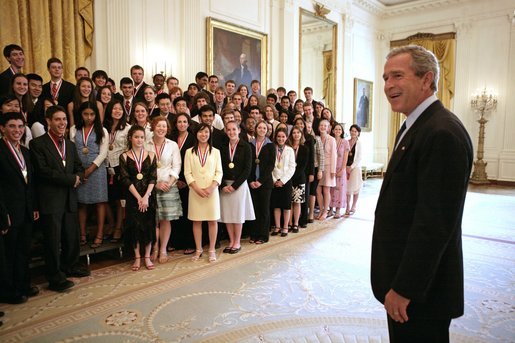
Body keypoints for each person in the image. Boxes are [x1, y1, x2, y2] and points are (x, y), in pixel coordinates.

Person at [371, 45, 473, 343]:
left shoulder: (442, 132)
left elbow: (434, 225)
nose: (388, 85)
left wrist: (405, 288)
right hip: (409, 284)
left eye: (398, 76)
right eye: (386, 77)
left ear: (427, 79)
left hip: (422, 293)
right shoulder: (415, 126)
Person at [30, 105, 90, 292]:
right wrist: (72, 179)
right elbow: (43, 172)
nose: (62, 123)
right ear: (48, 121)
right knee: (53, 241)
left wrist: (78, 176)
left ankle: (70, 266)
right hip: (51, 200)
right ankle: (55, 277)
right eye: (57, 119)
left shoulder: (70, 145)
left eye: (64, 119)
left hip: (69, 198)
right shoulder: (37, 144)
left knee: (70, 236)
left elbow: (79, 167)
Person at [0, 112, 39, 303]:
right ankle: (9, 290)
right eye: (12, 126)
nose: (17, 130)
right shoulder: (0, 151)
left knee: (24, 249)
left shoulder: (26, 152)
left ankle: (23, 284)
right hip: (8, 211)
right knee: (8, 253)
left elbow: (31, 183)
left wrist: (33, 207)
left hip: (26, 210)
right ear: (2, 128)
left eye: (20, 126)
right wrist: (2, 212)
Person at [69, 102, 108, 248]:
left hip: (97, 170)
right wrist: (80, 171)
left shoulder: (102, 130)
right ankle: (83, 234)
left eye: (92, 114)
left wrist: (89, 170)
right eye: (86, 114)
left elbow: (103, 153)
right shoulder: (74, 129)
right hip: (79, 169)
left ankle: (99, 234)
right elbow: (71, 150)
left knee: (100, 202)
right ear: (81, 115)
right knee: (82, 203)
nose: (89, 117)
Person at [119, 125, 157, 271]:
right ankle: (137, 257)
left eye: (141, 137)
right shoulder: (124, 156)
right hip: (133, 196)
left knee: (148, 226)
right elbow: (125, 179)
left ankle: (147, 256)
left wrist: (146, 197)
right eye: (136, 137)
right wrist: (138, 198)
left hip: (148, 197)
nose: (139, 140)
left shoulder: (151, 155)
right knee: (134, 227)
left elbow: (153, 178)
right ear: (130, 138)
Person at [184, 124, 223, 263]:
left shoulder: (216, 152)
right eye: (201, 132)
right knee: (197, 221)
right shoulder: (189, 152)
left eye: (206, 132)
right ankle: (199, 249)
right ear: (196, 134)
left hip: (211, 192)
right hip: (195, 192)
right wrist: (196, 188)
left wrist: (211, 187)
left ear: (209, 134)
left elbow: (219, 172)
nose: (203, 135)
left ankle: (211, 249)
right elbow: (187, 172)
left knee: (212, 221)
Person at [145, 117, 182, 263]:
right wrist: (155, 184)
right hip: (151, 187)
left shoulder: (172, 145)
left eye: (164, 126)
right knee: (153, 221)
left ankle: (163, 249)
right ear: (153, 127)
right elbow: (144, 168)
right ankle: (154, 247)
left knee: (166, 220)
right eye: (159, 126)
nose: (162, 129)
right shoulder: (146, 144)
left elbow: (177, 165)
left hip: (169, 187)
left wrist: (169, 182)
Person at [219, 121, 254, 254]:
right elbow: (219, 168)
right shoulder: (223, 147)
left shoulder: (246, 146)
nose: (231, 132)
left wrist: (234, 186)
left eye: (234, 129)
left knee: (237, 214)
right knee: (227, 214)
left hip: (238, 185)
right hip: (225, 185)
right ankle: (231, 240)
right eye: (229, 130)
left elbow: (247, 169)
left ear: (239, 130)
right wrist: (223, 185)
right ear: (226, 132)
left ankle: (237, 242)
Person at [103, 100, 131, 243]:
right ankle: (111, 223)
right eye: (114, 108)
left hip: (120, 166)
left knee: (120, 199)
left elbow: (129, 148)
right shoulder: (103, 127)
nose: (117, 111)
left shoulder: (127, 128)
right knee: (106, 198)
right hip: (105, 165)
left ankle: (119, 227)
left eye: (120, 109)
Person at [170, 113, 196, 255]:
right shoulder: (171, 139)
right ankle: (175, 242)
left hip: (187, 182)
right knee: (175, 213)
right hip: (173, 180)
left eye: (184, 121)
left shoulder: (193, 139)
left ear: (188, 123)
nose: (181, 124)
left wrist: (185, 181)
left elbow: (194, 162)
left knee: (187, 213)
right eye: (179, 121)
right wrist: (174, 179)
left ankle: (189, 243)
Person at [248, 120, 275, 244]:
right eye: (260, 127)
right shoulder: (250, 144)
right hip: (252, 182)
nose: (262, 130)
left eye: (264, 128)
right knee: (254, 208)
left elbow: (270, 166)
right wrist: (251, 181)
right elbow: (247, 164)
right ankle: (254, 233)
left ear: (267, 130)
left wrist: (260, 181)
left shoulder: (270, 145)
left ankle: (263, 235)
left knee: (264, 209)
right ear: (256, 129)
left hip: (265, 183)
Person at [270, 128, 296, 237]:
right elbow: (269, 166)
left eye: (283, 137)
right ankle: (277, 226)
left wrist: (283, 181)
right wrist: (275, 180)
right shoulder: (272, 148)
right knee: (276, 205)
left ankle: (285, 226)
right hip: (274, 181)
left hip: (286, 181)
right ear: (276, 137)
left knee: (286, 206)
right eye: (279, 136)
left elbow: (292, 167)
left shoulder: (290, 150)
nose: (281, 139)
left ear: (286, 138)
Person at [288, 127, 308, 233]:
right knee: (289, 202)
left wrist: (292, 176)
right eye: (294, 133)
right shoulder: (288, 147)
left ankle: (296, 223)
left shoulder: (304, 149)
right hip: (287, 179)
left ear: (301, 135)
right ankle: (289, 223)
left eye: (298, 133)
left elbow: (302, 166)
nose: (296, 135)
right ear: (291, 135)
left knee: (297, 202)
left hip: (299, 178)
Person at [316, 119, 336, 220]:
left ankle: (325, 211)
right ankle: (320, 209)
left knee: (326, 190)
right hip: (319, 167)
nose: (323, 127)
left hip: (328, 167)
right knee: (317, 189)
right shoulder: (317, 138)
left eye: (325, 126)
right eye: (321, 125)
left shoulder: (331, 139)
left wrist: (333, 171)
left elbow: (334, 156)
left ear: (328, 128)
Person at [329, 123, 350, 218]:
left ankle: (338, 210)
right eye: (336, 129)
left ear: (342, 131)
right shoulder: (331, 140)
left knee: (339, 189)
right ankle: (330, 209)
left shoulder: (345, 142)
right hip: (331, 168)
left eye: (339, 130)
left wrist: (343, 169)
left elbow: (345, 157)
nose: (337, 131)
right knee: (330, 189)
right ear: (333, 131)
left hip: (341, 168)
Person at [305, 120, 324, 223]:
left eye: (309, 127)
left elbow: (321, 155)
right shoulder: (301, 138)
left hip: (315, 168)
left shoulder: (316, 139)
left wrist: (320, 170)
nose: (307, 129)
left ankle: (311, 213)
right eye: (305, 127)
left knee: (312, 192)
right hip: (304, 169)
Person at [345, 124, 363, 217]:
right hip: (346, 167)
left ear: (358, 133)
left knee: (355, 187)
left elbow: (359, 157)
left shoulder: (359, 143)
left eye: (355, 131)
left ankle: (354, 205)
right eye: (352, 130)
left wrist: (351, 167)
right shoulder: (347, 142)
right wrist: (346, 167)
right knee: (347, 188)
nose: (353, 132)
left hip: (355, 168)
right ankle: (347, 206)